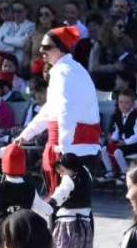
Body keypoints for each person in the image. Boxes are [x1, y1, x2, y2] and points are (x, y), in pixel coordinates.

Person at [17, 26, 102, 193]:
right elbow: (50, 109)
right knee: (79, 207)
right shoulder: (74, 69)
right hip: (78, 147)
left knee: (62, 206)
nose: (41, 50)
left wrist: (64, 150)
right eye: (41, 46)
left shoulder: (62, 72)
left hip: (68, 149)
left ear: (61, 49)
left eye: (47, 47)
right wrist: (27, 134)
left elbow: (65, 110)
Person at [47, 153, 96, 248]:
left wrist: (51, 202)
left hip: (67, 222)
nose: (61, 174)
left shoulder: (68, 180)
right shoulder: (86, 172)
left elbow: (61, 192)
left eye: (62, 170)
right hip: (84, 221)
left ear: (72, 168)